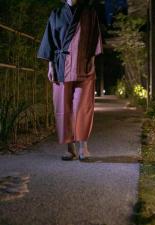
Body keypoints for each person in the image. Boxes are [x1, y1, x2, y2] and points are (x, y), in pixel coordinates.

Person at [37, 0, 103, 161]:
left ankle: (83, 148)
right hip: (61, 67)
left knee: (83, 107)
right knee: (63, 107)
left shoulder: (89, 13)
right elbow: (50, 41)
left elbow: (95, 40)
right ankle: (69, 148)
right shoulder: (56, 14)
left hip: (84, 65)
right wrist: (50, 67)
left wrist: (92, 64)